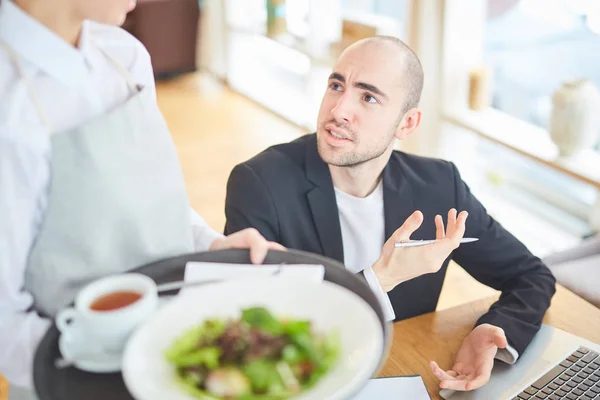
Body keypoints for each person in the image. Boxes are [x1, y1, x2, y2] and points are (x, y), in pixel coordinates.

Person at [224, 36, 557, 392]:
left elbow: (531, 275)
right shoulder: (259, 183)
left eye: (368, 97)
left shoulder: (439, 186)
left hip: (404, 372)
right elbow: (251, 331)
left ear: (407, 124)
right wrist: (378, 281)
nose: (338, 109)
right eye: (336, 85)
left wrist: (492, 331)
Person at [0, 0, 283, 394]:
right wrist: (130, 365)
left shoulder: (124, 56)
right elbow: (5, 324)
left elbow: (147, 196)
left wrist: (213, 245)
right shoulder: (9, 107)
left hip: (174, 350)